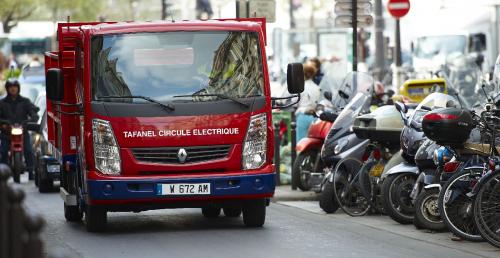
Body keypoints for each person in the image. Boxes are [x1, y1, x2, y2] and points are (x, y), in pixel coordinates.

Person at [0, 79, 39, 179]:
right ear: (7, 89)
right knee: (3, 151)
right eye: (10, 87)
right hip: (6, 133)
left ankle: (31, 171)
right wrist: (3, 124)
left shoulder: (25, 101)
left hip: (22, 132)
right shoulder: (2, 102)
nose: (13, 89)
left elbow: (33, 112)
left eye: (15, 87)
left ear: (18, 88)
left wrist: (31, 119)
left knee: (29, 150)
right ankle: (3, 173)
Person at [295, 64, 320, 142]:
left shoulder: (301, 87)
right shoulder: (317, 87)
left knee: (301, 143)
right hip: (314, 117)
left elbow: (295, 102)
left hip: (302, 115)